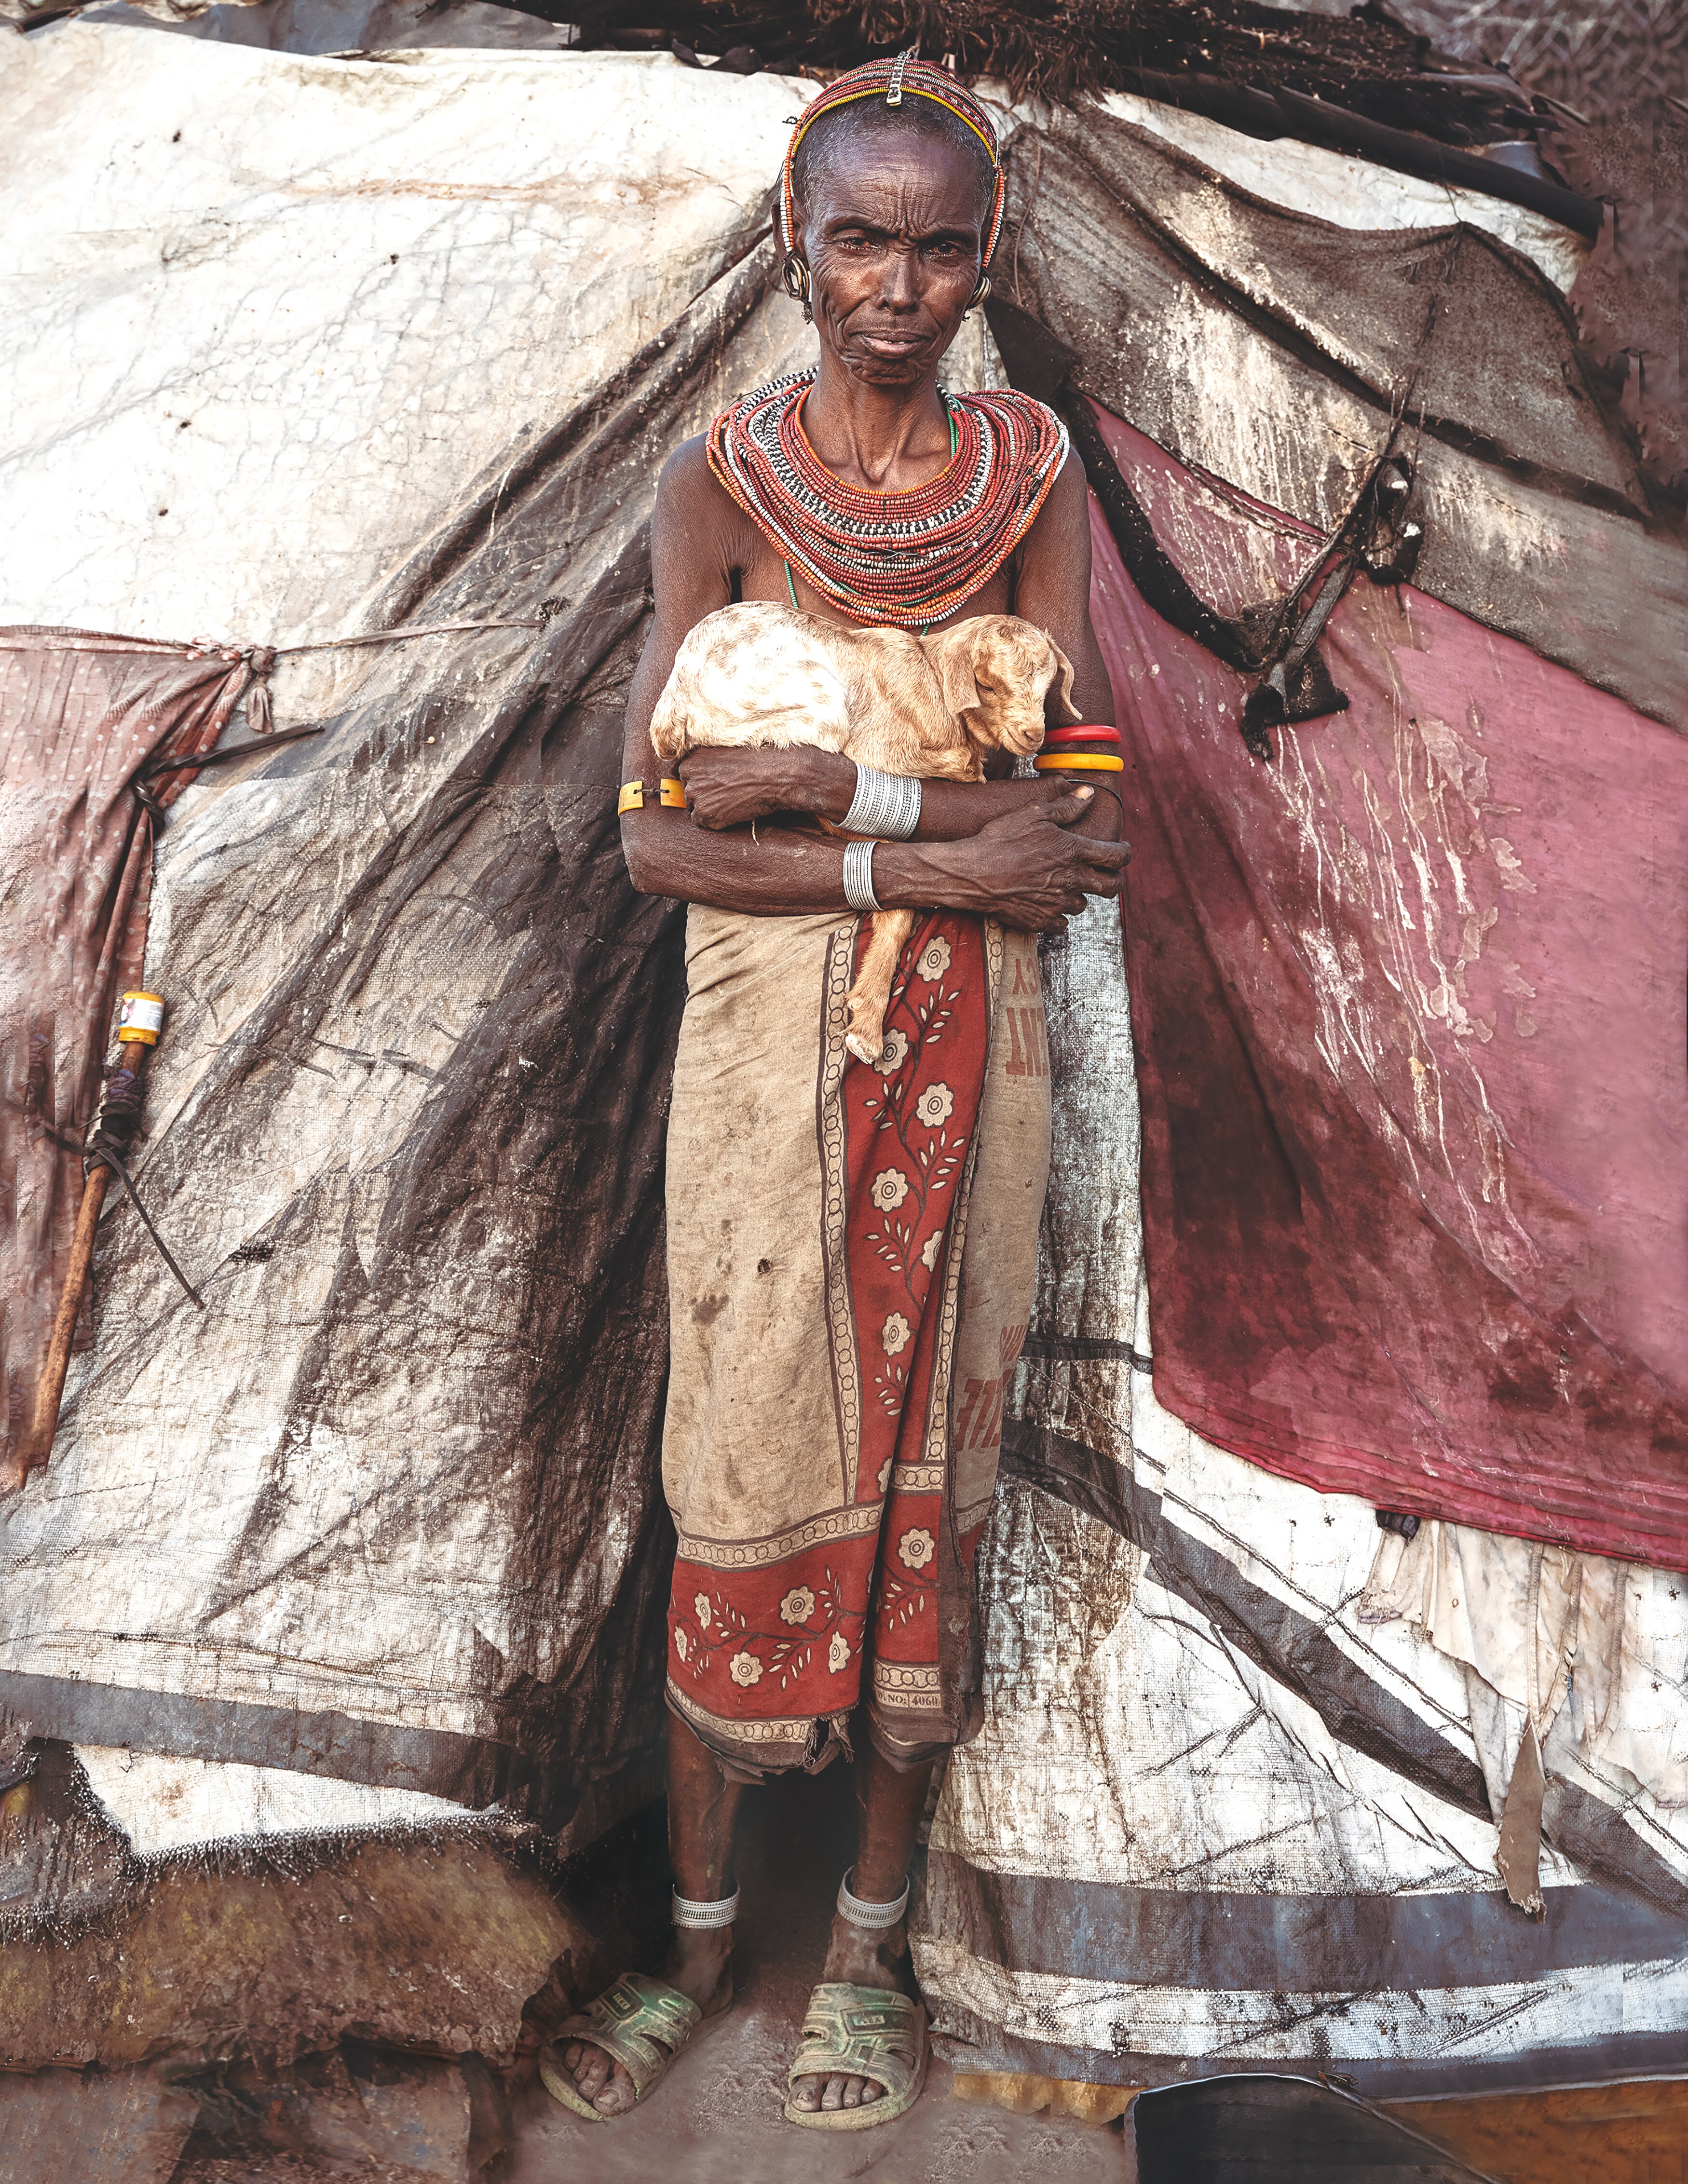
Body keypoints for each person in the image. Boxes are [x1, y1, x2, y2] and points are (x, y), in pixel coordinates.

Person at [541, 54, 1128, 2132]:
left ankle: (862, 1954)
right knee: (747, 1456)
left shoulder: (1030, 471)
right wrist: (919, 848)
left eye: (936, 242)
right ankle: (695, 1944)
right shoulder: (719, 476)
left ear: (986, 259)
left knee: (921, 1496)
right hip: (755, 1059)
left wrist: (847, 794)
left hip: (969, 1053)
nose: (895, 282)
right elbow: (655, 838)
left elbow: (1071, 834)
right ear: (796, 251)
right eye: (857, 238)